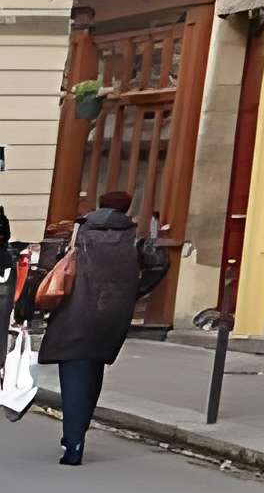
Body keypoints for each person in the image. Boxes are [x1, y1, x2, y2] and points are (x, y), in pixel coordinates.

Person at [30, 190, 168, 465]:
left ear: (99, 206)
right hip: (110, 317)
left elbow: (48, 267)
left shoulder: (76, 235)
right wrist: (134, 291)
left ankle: (73, 443)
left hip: (74, 314)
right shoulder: (135, 240)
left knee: (73, 380)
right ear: (127, 209)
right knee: (93, 374)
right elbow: (161, 263)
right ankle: (77, 431)